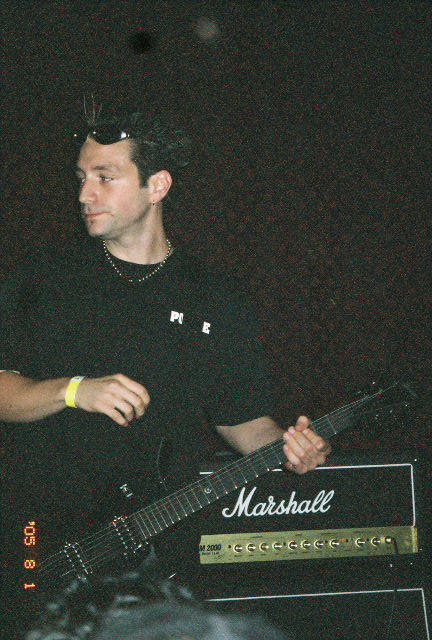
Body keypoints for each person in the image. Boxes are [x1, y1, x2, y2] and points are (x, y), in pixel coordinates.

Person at [0, 110, 330, 636]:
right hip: (43, 543)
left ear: (157, 186)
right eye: (81, 177)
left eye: (105, 177)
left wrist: (294, 447)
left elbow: (244, 423)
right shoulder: (43, 275)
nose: (85, 194)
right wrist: (73, 391)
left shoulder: (216, 296)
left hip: (159, 554)